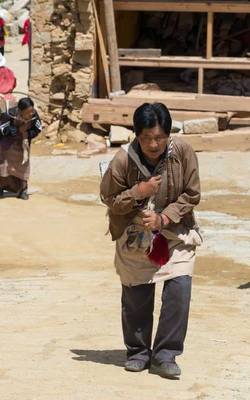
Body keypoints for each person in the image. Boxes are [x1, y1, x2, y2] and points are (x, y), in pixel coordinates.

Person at [99, 103, 202, 378]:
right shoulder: (122, 160)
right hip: (135, 235)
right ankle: (138, 352)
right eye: (146, 137)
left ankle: (166, 355)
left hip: (174, 231)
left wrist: (164, 219)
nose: (153, 144)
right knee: (137, 296)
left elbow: (191, 195)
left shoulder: (182, 153)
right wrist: (138, 191)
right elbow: (108, 199)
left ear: (168, 134)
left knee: (180, 288)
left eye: (159, 137)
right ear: (136, 135)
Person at [0, 98, 42, 200]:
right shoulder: (9, 114)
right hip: (8, 145)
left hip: (23, 146)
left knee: (23, 167)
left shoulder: (34, 115)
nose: (30, 114)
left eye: (31, 111)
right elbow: (3, 129)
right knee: (4, 167)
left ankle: (23, 191)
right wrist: (17, 130)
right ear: (20, 111)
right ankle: (1, 188)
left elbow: (38, 129)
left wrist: (27, 133)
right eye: (27, 112)